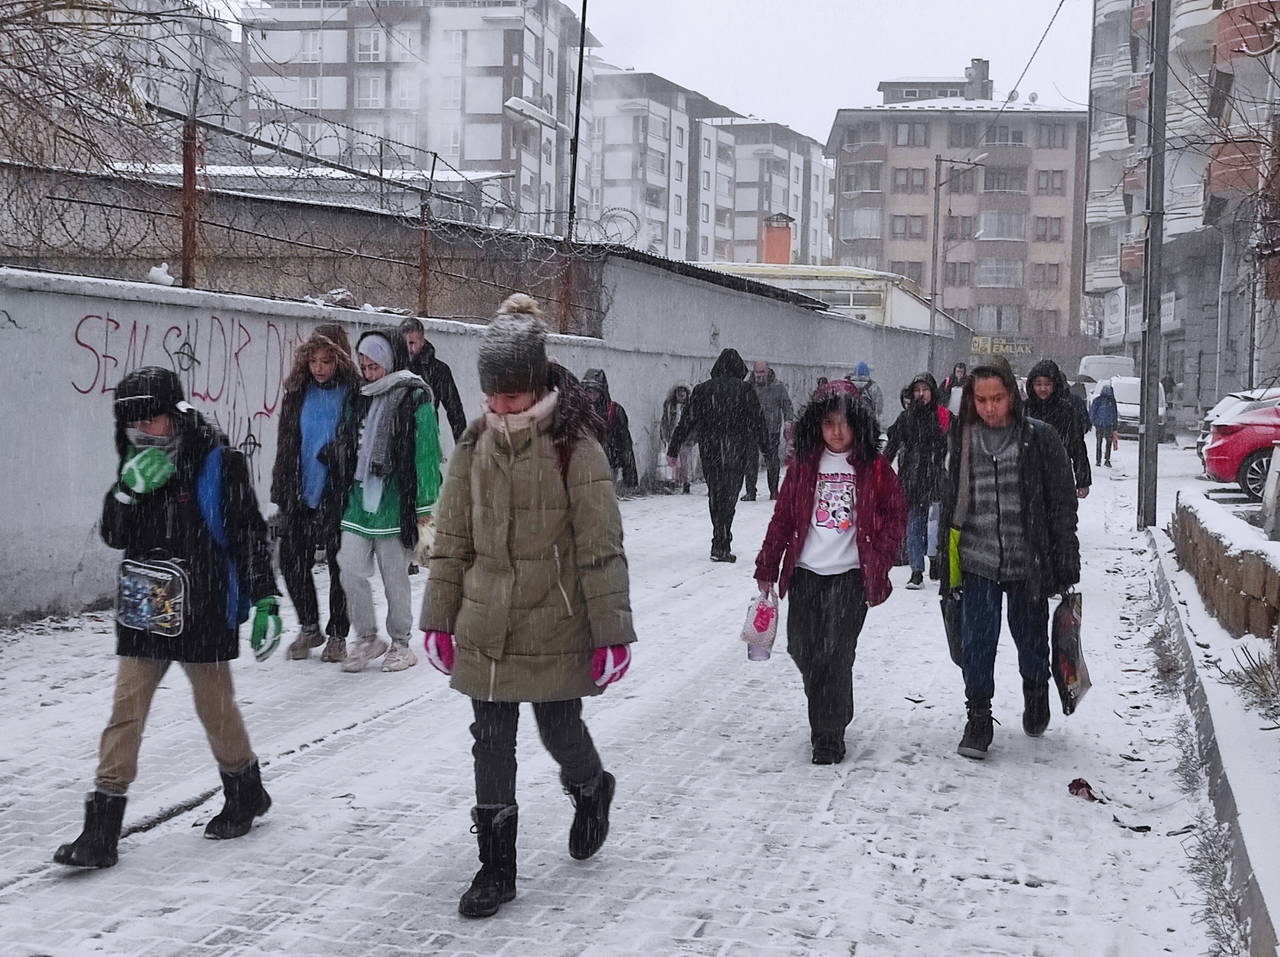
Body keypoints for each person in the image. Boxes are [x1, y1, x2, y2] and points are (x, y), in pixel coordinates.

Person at [420, 294, 636, 919]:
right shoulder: (473, 444)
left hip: (555, 619)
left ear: (537, 386)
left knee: (558, 728)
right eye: (491, 395)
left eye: (511, 396)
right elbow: (452, 537)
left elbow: (600, 546)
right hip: (487, 619)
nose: (499, 407)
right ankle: (495, 867)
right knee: (490, 741)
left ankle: (591, 788)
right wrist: (438, 618)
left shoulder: (575, 447)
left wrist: (611, 631)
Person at [54, 368, 280, 869]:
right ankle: (101, 832)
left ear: (175, 415)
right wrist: (125, 493)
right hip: (145, 605)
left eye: (150, 420)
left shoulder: (219, 461)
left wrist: (265, 596)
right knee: (126, 709)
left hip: (203, 606)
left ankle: (245, 791)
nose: (142, 431)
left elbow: (247, 532)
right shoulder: (134, 457)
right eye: (133, 422)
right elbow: (115, 535)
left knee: (215, 707)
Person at [754, 380, 906, 765]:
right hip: (805, 573)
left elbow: (895, 514)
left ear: (858, 425)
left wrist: (882, 557)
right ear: (816, 426)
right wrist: (767, 565)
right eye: (828, 423)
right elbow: (783, 518)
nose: (837, 432)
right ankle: (834, 703)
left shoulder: (874, 467)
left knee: (835, 653)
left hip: (850, 576)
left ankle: (827, 735)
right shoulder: (805, 466)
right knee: (803, 649)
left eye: (844, 423)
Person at [939, 357, 1081, 760]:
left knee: (1031, 641)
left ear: (1013, 397)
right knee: (977, 643)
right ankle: (978, 716)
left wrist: (1065, 555)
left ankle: (1036, 690)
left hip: (1026, 562)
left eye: (997, 398)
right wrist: (944, 560)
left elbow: (1062, 503)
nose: (989, 407)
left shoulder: (1039, 438)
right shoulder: (963, 438)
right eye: (981, 399)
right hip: (977, 560)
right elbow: (950, 500)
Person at [328, 328, 441, 673]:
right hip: (359, 502)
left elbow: (426, 455)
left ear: (390, 362)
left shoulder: (415, 398)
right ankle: (367, 637)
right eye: (364, 366)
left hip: (395, 503)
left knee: (395, 579)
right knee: (348, 568)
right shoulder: (359, 397)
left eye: (374, 366)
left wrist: (424, 508)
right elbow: (348, 440)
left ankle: (401, 643)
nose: (368, 373)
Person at [272, 324, 358, 663]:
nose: (318, 368)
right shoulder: (297, 392)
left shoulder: (354, 393)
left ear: (340, 360)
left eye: (326, 361)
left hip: (338, 491)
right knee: (292, 559)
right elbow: (285, 445)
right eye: (313, 361)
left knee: (341, 566)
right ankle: (309, 626)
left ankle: (338, 634)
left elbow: (360, 439)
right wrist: (282, 493)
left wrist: (341, 452)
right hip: (301, 490)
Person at [667, 348, 769, 562]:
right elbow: (758, 422)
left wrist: (673, 448)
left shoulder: (702, 390)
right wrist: (767, 450)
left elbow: (687, 421)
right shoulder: (745, 390)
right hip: (736, 449)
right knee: (730, 496)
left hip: (710, 450)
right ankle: (723, 540)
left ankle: (718, 538)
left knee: (715, 493)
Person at [884, 373, 951, 589]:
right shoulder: (906, 418)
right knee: (914, 526)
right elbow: (892, 445)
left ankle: (935, 559)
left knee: (935, 527)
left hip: (936, 480)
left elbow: (954, 446)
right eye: (917, 390)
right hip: (912, 480)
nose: (921, 394)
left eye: (925, 390)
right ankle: (916, 571)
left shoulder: (942, 416)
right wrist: (881, 469)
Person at [1024, 359, 1092, 499]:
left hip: (1059, 477)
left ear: (1055, 385)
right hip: (1027, 478)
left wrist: (1083, 480)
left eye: (1047, 384)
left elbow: (1077, 446)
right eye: (1038, 384)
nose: (1043, 388)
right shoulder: (1023, 409)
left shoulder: (1066, 411)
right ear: (1031, 385)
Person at [399, 317, 467, 443]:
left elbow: (455, 411)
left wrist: (463, 447)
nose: (409, 348)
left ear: (422, 341)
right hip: (396, 440)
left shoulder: (439, 370)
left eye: (412, 343)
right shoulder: (393, 366)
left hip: (425, 439)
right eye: (404, 343)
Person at [743, 361, 794, 502]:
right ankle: (750, 492)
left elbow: (787, 405)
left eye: (762, 372)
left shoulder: (778, 387)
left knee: (772, 461)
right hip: (752, 429)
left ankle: (774, 491)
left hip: (771, 429)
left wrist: (788, 421)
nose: (759, 375)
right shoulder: (748, 387)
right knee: (751, 460)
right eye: (757, 372)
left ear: (768, 371)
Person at [582, 369, 639, 489]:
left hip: (608, 462)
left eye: (596, 392)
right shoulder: (580, 409)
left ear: (602, 392)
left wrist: (629, 474)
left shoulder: (614, 410)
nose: (592, 396)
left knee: (604, 494)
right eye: (589, 392)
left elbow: (625, 443)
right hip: (584, 462)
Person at [660, 383, 694, 493]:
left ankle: (685, 482)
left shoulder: (689, 406)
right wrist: (664, 434)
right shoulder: (670, 406)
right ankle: (673, 481)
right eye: (679, 394)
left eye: (683, 394)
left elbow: (691, 423)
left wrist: (691, 437)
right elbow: (665, 420)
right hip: (672, 436)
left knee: (684, 461)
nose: (681, 396)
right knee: (672, 460)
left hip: (685, 437)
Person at [1090, 383, 1119, 468]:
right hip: (1108, 425)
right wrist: (1115, 426)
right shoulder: (1112, 401)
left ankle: (1098, 460)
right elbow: (1114, 414)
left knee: (1099, 442)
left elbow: (1093, 412)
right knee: (1108, 442)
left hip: (1099, 424)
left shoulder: (1097, 400)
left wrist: (1092, 422)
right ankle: (1107, 459)